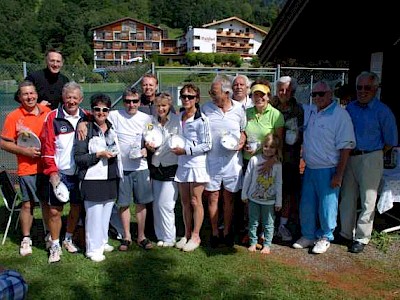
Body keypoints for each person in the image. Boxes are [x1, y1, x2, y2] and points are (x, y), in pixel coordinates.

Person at [292, 80, 355, 254]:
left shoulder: (340, 116)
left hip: (329, 169)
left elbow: (346, 147)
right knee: (307, 204)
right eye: (314, 94)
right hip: (310, 168)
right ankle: (308, 235)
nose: (317, 97)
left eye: (321, 94)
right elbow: (291, 105)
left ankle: (326, 237)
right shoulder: (312, 111)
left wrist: (339, 174)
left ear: (330, 94)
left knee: (327, 206)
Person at [339, 71, 398, 253]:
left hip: (372, 157)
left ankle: (362, 237)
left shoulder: (383, 111)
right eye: (359, 87)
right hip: (350, 157)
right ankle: (345, 233)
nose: (362, 91)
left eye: (367, 88)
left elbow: (391, 140)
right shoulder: (351, 108)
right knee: (347, 197)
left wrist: (374, 154)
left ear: (375, 89)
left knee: (368, 200)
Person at [0, 81, 51, 256]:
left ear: (37, 94)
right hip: (26, 168)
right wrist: (24, 151)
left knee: (46, 203)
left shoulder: (47, 112)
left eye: (32, 93)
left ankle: (49, 235)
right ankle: (26, 238)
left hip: (47, 167)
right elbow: (3, 143)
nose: (29, 97)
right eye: (25, 94)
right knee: (28, 204)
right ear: (20, 97)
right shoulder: (13, 117)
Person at [41, 81, 88, 263]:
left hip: (79, 173)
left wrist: (84, 121)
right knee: (55, 211)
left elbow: (101, 118)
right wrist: (52, 173)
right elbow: (47, 149)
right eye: (68, 97)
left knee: (76, 207)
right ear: (63, 98)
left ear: (81, 99)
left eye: (75, 98)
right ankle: (54, 244)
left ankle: (68, 238)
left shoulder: (86, 116)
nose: (71, 101)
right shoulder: (52, 117)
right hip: (59, 173)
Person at [74, 93, 123, 262]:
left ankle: (102, 242)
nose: (101, 112)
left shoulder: (112, 127)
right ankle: (92, 249)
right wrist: (98, 155)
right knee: (94, 215)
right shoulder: (85, 128)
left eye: (104, 109)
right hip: (92, 179)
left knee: (106, 213)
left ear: (109, 111)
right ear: (92, 110)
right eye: (97, 109)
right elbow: (79, 158)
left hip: (110, 177)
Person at [202, 75, 246, 248]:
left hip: (232, 162)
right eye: (211, 93)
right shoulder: (206, 108)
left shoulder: (239, 109)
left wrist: (241, 141)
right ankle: (214, 233)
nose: (212, 96)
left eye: (214, 93)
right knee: (213, 197)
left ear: (227, 93)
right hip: (212, 161)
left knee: (229, 198)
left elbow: (243, 131)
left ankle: (227, 232)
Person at [107, 88, 154, 251]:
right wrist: (84, 124)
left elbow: (152, 139)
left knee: (141, 203)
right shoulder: (114, 115)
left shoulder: (147, 118)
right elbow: (95, 117)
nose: (131, 104)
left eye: (134, 101)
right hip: (122, 168)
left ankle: (141, 236)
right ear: (123, 102)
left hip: (141, 167)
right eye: (127, 101)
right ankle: (126, 236)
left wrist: (147, 150)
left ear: (140, 102)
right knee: (124, 203)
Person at [241, 79, 284, 246]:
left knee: (266, 196)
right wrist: (243, 144)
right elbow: (243, 133)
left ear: (268, 96)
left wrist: (272, 160)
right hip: (249, 161)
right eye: (255, 95)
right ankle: (250, 231)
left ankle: (264, 234)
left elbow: (279, 140)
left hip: (269, 163)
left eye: (261, 95)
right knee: (251, 197)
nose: (258, 98)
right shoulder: (247, 112)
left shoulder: (275, 114)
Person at [172, 83, 212, 252]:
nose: (187, 99)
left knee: (196, 201)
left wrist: (186, 150)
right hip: (182, 164)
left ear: (197, 99)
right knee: (185, 202)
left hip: (197, 164)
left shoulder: (202, 119)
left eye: (190, 96)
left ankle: (196, 236)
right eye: (184, 96)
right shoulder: (178, 116)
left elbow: (207, 145)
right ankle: (186, 234)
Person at [146, 92, 180, 247]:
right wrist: (148, 146)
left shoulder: (177, 122)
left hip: (171, 166)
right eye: (158, 105)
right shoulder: (150, 121)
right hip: (155, 166)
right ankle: (160, 236)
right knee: (156, 204)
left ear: (169, 106)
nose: (161, 108)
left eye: (164, 105)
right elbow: (147, 136)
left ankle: (170, 237)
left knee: (166, 205)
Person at [273, 76, 304, 242]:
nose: (284, 93)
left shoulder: (298, 109)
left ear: (292, 92)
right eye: (281, 89)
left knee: (288, 193)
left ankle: (283, 225)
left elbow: (300, 135)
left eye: (287, 90)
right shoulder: (270, 105)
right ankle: (269, 224)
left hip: (290, 159)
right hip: (271, 158)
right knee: (270, 189)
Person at [242, 133, 282, 254]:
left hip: (269, 200)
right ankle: (253, 242)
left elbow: (279, 183)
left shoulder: (277, 165)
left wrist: (278, 201)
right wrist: (244, 194)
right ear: (262, 146)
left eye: (271, 147)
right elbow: (247, 177)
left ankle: (267, 245)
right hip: (253, 198)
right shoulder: (254, 160)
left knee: (268, 223)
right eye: (266, 146)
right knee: (253, 221)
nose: (268, 149)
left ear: (276, 149)